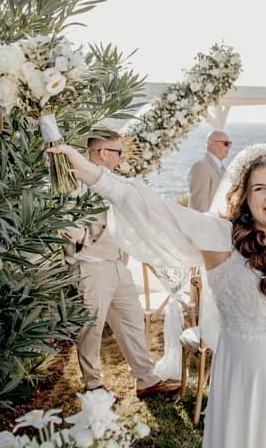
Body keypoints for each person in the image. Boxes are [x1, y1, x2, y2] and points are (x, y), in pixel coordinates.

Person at [50, 141, 266, 448]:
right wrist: (89, 171)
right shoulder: (220, 237)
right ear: (243, 196)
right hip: (250, 380)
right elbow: (150, 208)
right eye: (259, 188)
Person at [61, 130, 178, 398]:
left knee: (132, 320)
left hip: (116, 264)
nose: (121, 157)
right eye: (118, 152)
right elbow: (65, 223)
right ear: (103, 153)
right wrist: (87, 238)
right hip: (90, 266)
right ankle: (93, 386)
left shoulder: (112, 181)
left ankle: (146, 379)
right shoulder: (75, 180)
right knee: (91, 328)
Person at [188, 130, 231, 211]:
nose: (229, 147)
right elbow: (199, 205)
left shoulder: (222, 167)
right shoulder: (202, 166)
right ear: (212, 144)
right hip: (207, 222)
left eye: (230, 143)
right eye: (226, 143)